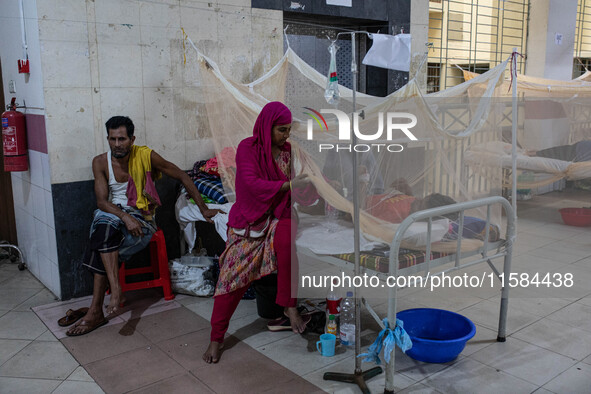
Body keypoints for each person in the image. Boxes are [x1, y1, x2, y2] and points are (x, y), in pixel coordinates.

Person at [66, 116, 219, 336]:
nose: (117, 144)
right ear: (107, 139)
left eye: (122, 139)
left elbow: (182, 175)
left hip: (142, 221)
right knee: (105, 225)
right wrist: (124, 217)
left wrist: (204, 209)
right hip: (113, 217)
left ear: (132, 139)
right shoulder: (100, 162)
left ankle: (95, 310)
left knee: (102, 239)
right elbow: (102, 202)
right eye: (112, 139)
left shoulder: (146, 156)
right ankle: (113, 291)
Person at [202, 102, 309, 364]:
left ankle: (289, 306)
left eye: (289, 130)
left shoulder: (288, 152)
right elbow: (250, 183)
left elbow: (304, 181)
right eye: (282, 130)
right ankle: (216, 338)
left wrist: (322, 185)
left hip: (279, 215)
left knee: (287, 246)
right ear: (267, 126)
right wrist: (287, 184)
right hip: (250, 219)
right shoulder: (247, 148)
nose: (286, 135)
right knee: (230, 279)